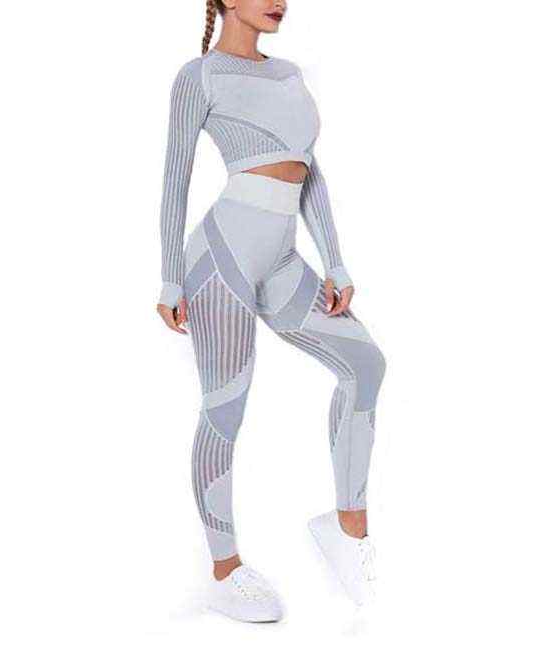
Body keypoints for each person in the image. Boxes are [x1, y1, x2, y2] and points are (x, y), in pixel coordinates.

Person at [156, 0, 386, 622]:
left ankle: (346, 526)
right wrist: (170, 277)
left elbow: (310, 174)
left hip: (282, 259)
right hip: (222, 260)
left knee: (365, 364)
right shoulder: (199, 76)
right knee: (225, 409)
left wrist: (335, 262)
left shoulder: (289, 75)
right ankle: (225, 569)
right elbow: (175, 179)